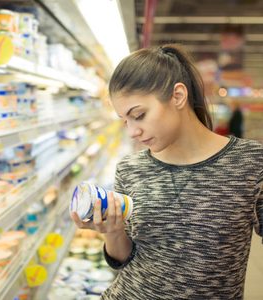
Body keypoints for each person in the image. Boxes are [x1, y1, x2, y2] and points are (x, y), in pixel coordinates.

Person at [71, 44, 263, 299]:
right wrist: (113, 231)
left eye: (138, 115)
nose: (132, 131)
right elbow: (122, 259)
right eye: (125, 120)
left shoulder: (250, 163)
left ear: (178, 96)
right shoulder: (130, 169)